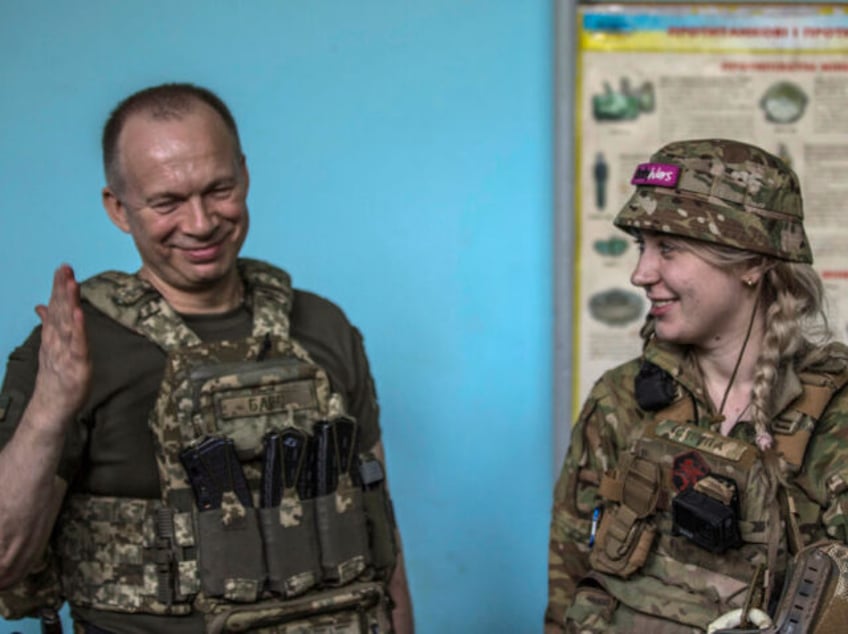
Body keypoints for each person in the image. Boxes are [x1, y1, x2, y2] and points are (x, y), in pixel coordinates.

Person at [0, 82, 414, 633]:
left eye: (218, 189)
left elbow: (376, 531)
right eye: (167, 202)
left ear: (244, 173)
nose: (200, 223)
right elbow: (5, 559)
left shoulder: (321, 326)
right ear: (119, 209)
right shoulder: (70, 347)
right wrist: (51, 407)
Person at [545, 138, 848, 633]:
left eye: (670, 248)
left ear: (752, 262)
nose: (640, 273)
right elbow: (570, 587)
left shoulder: (837, 419)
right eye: (642, 247)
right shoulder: (620, 402)